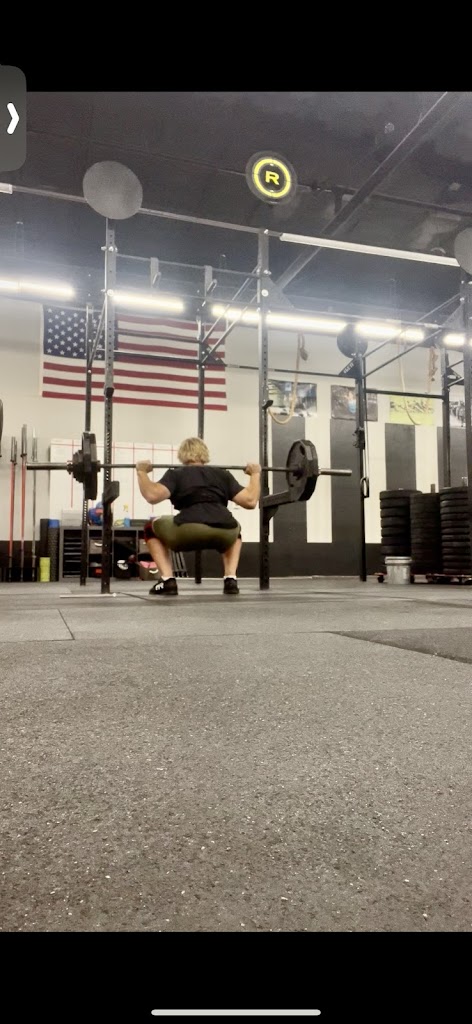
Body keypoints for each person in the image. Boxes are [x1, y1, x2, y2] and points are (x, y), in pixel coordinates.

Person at [136, 437, 261, 597]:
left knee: (150, 527)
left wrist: (142, 472)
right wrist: (255, 474)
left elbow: (152, 495)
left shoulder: (176, 474)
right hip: (224, 533)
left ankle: (167, 581)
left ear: (182, 455)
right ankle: (230, 579)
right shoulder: (222, 475)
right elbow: (250, 501)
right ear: (205, 454)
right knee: (235, 530)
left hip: (188, 530)